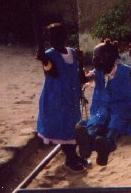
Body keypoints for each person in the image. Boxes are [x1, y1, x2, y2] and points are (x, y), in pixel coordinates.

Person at [75, 39, 131, 166]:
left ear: (108, 59)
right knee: (96, 122)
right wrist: (79, 64)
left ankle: (106, 145)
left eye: (96, 58)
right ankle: (87, 142)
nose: (93, 60)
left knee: (115, 123)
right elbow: (82, 79)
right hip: (103, 108)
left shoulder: (125, 71)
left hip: (121, 108)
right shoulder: (98, 73)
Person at [36, 23, 87, 172]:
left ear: (65, 36)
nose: (55, 40)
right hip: (56, 100)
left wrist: (81, 61)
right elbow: (53, 73)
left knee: (72, 127)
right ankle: (70, 159)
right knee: (64, 129)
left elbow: (79, 74)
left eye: (59, 36)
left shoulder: (72, 52)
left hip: (72, 98)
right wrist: (45, 61)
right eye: (52, 38)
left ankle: (73, 156)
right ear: (48, 39)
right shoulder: (49, 56)